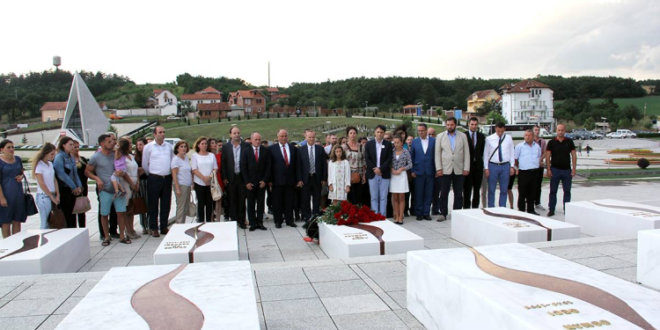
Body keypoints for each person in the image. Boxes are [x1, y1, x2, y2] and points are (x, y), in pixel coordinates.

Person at [86, 134, 131, 246]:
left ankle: (122, 236)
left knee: (121, 212)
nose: (112, 143)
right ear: (102, 144)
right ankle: (106, 236)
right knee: (104, 214)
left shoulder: (115, 154)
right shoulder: (96, 157)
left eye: (113, 141)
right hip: (105, 189)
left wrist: (122, 173)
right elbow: (87, 171)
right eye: (109, 141)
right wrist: (97, 179)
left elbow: (122, 168)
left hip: (118, 189)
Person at [434, 117, 470, 221]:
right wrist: (439, 168)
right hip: (445, 168)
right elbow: (437, 153)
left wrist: (466, 167)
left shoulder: (463, 136)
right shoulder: (440, 137)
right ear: (446, 125)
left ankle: (457, 213)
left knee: (458, 192)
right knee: (444, 192)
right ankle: (443, 213)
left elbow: (466, 153)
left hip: (459, 168)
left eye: (452, 125)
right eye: (448, 125)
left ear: (455, 125)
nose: (450, 127)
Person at [142, 126, 174, 237]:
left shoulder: (169, 146)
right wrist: (151, 174)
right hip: (154, 178)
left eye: (164, 132)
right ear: (154, 134)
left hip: (167, 178)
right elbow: (145, 164)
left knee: (166, 203)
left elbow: (171, 160)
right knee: (153, 204)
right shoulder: (148, 147)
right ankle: (154, 227)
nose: (162, 134)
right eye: (160, 132)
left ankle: (164, 226)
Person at [269, 129, 299, 228]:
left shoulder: (293, 148)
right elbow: (269, 165)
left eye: (285, 136)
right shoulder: (272, 149)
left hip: (290, 180)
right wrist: (270, 180)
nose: (284, 138)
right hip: (277, 181)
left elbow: (296, 165)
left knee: (290, 201)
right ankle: (278, 221)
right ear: (278, 137)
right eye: (282, 136)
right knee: (277, 202)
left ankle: (289, 220)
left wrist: (297, 179)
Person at [297, 130, 327, 225]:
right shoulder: (301, 149)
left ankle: (315, 215)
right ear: (306, 137)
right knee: (305, 199)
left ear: (315, 137)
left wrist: (324, 178)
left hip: (316, 178)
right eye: (309, 137)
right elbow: (298, 166)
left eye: (313, 137)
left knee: (316, 198)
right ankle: (307, 216)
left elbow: (323, 165)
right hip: (305, 178)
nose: (311, 139)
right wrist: (299, 179)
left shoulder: (320, 149)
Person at [241, 132, 270, 231]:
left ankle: (260, 222)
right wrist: (247, 182)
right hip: (250, 183)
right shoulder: (246, 151)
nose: (258, 142)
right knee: (251, 203)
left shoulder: (265, 151)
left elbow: (268, 167)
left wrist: (265, 180)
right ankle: (252, 223)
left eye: (259, 140)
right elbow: (243, 167)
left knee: (261, 203)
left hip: (261, 183)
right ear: (252, 140)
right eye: (256, 140)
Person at [546, 124, 577, 217]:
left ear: (565, 131)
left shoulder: (569, 142)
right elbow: (547, 156)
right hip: (555, 170)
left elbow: (574, 155)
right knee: (553, 191)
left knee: (567, 191)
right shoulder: (551, 142)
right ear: (556, 131)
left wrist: (574, 169)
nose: (560, 132)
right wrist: (548, 169)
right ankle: (551, 209)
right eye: (559, 130)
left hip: (566, 170)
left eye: (562, 130)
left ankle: (567, 210)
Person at [483, 122, 515, 208]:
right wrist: (486, 168)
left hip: (505, 166)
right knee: (491, 189)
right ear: (495, 129)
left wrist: (512, 165)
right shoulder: (489, 139)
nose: (500, 133)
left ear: (504, 129)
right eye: (498, 131)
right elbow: (486, 154)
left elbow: (512, 152)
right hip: (493, 165)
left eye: (501, 131)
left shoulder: (508, 138)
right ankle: (491, 207)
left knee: (504, 189)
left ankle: (502, 207)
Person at [53, 136, 83, 228]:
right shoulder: (59, 157)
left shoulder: (71, 157)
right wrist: (73, 186)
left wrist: (79, 186)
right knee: (66, 212)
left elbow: (75, 173)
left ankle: (72, 230)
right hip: (65, 189)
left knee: (71, 212)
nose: (72, 146)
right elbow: (61, 174)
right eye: (70, 145)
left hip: (72, 189)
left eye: (73, 145)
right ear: (63, 145)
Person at [221, 127, 248, 228]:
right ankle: (234, 220)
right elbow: (223, 163)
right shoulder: (226, 147)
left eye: (238, 132)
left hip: (241, 177)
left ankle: (242, 220)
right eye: (234, 133)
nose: (237, 134)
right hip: (230, 178)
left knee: (242, 200)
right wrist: (224, 177)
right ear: (230, 135)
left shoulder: (246, 146)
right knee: (232, 200)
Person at [0, 140, 26, 238]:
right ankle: (8, 244)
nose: (11, 149)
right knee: (6, 221)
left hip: (18, 192)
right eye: (8, 147)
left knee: (17, 219)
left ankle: (17, 242)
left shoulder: (18, 159)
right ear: (1, 149)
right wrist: (1, 198)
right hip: (5, 193)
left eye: (13, 147)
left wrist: (20, 177)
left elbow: (21, 172)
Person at [365, 125, 392, 216]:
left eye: (381, 132)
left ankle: (382, 215)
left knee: (383, 197)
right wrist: (375, 169)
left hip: (384, 173)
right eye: (378, 132)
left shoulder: (388, 144)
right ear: (375, 132)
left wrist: (380, 169)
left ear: (384, 133)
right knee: (374, 197)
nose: (379, 134)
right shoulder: (369, 144)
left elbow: (389, 159)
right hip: (372, 173)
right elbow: (367, 158)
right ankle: (375, 215)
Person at [410, 123, 435, 220]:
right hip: (418, 171)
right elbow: (411, 157)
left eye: (422, 130)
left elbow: (436, 156)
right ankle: (419, 212)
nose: (420, 132)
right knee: (418, 193)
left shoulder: (433, 141)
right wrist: (412, 170)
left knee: (428, 193)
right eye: (419, 131)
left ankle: (426, 212)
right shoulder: (415, 142)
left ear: (426, 130)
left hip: (430, 170)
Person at [117, 138, 141, 239]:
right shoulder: (121, 157)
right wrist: (131, 183)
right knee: (126, 208)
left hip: (135, 182)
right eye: (130, 144)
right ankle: (127, 230)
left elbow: (136, 170)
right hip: (126, 183)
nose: (132, 146)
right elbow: (123, 172)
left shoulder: (131, 156)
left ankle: (132, 229)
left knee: (131, 208)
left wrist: (138, 182)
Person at [515, 130, 542, 214]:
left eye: (529, 135)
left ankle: (531, 209)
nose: (527, 137)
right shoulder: (519, 146)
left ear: (533, 136)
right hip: (523, 172)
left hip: (534, 172)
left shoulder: (537, 146)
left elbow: (538, 157)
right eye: (526, 135)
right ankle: (521, 210)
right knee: (522, 192)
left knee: (532, 191)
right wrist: (517, 168)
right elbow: (515, 159)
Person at [192, 136, 218, 223]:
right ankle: (201, 221)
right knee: (201, 203)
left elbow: (215, 168)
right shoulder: (195, 156)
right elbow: (194, 169)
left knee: (209, 203)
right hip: (199, 182)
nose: (204, 145)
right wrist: (203, 178)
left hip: (210, 182)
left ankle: (209, 221)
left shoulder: (211, 155)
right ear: (198, 145)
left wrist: (209, 177)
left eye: (205, 143)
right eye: (202, 144)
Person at [33, 143, 59, 229]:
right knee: (45, 222)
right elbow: (42, 183)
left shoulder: (50, 164)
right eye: (51, 154)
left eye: (54, 154)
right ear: (46, 153)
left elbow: (54, 180)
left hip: (52, 194)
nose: (53, 156)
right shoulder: (39, 165)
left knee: (51, 221)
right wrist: (51, 197)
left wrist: (57, 194)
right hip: (44, 196)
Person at [463, 117, 486, 209]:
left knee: (477, 189)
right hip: (467, 167)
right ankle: (466, 208)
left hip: (478, 167)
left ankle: (475, 207)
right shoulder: (463, 135)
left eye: (476, 124)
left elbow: (482, 150)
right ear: (468, 124)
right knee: (467, 189)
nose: (474, 126)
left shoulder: (481, 136)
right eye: (472, 124)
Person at [391, 135, 412, 224]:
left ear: (401, 143)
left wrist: (402, 169)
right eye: (395, 143)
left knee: (402, 197)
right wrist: (391, 169)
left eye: (398, 142)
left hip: (402, 175)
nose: (396, 144)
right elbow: (389, 163)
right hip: (393, 175)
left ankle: (401, 216)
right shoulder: (392, 152)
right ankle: (396, 214)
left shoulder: (406, 152)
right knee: (395, 196)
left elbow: (410, 165)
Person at [342, 127, 366, 205]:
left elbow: (363, 161)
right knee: (349, 195)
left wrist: (364, 175)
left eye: (354, 133)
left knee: (359, 196)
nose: (352, 135)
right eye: (351, 133)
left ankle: (358, 213)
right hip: (347, 174)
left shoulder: (361, 147)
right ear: (347, 135)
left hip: (359, 174)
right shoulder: (343, 147)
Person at [171, 140, 192, 224]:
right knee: (181, 207)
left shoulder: (186, 158)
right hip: (180, 185)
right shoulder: (175, 160)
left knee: (185, 207)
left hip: (187, 185)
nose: (183, 148)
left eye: (185, 146)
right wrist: (177, 188)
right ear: (177, 149)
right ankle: (179, 224)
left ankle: (182, 224)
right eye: (181, 147)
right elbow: (174, 174)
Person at [133, 137, 149, 234]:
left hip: (150, 181)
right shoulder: (135, 157)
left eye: (141, 144)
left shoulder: (149, 155)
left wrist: (143, 169)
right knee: (142, 203)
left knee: (150, 203)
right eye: (137, 145)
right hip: (141, 181)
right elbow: (136, 170)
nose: (139, 147)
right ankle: (144, 225)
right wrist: (143, 169)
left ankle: (151, 223)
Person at [71, 141, 88, 228]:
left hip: (83, 187)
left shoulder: (83, 159)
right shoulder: (68, 160)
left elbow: (86, 173)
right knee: (72, 210)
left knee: (82, 209)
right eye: (75, 147)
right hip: (72, 188)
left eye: (78, 147)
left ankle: (82, 229)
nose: (77, 149)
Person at [532, 126, 548, 212]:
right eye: (535, 130)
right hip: (531, 166)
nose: (537, 131)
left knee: (538, 185)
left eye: (538, 130)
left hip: (540, 166)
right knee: (531, 185)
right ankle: (530, 202)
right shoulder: (530, 141)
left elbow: (545, 152)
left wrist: (540, 159)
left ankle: (537, 202)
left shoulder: (542, 141)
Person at [428, 127, 441, 216]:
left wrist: (438, 170)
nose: (431, 136)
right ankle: (426, 210)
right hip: (427, 172)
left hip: (437, 172)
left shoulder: (438, 143)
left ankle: (435, 209)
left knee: (436, 192)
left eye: (433, 134)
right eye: (430, 134)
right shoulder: (424, 143)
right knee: (428, 192)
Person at [404, 135, 415, 217]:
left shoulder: (415, 149)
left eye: (411, 139)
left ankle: (413, 209)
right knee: (406, 194)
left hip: (415, 174)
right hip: (407, 175)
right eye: (408, 139)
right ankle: (405, 210)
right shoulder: (404, 150)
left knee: (414, 194)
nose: (410, 141)